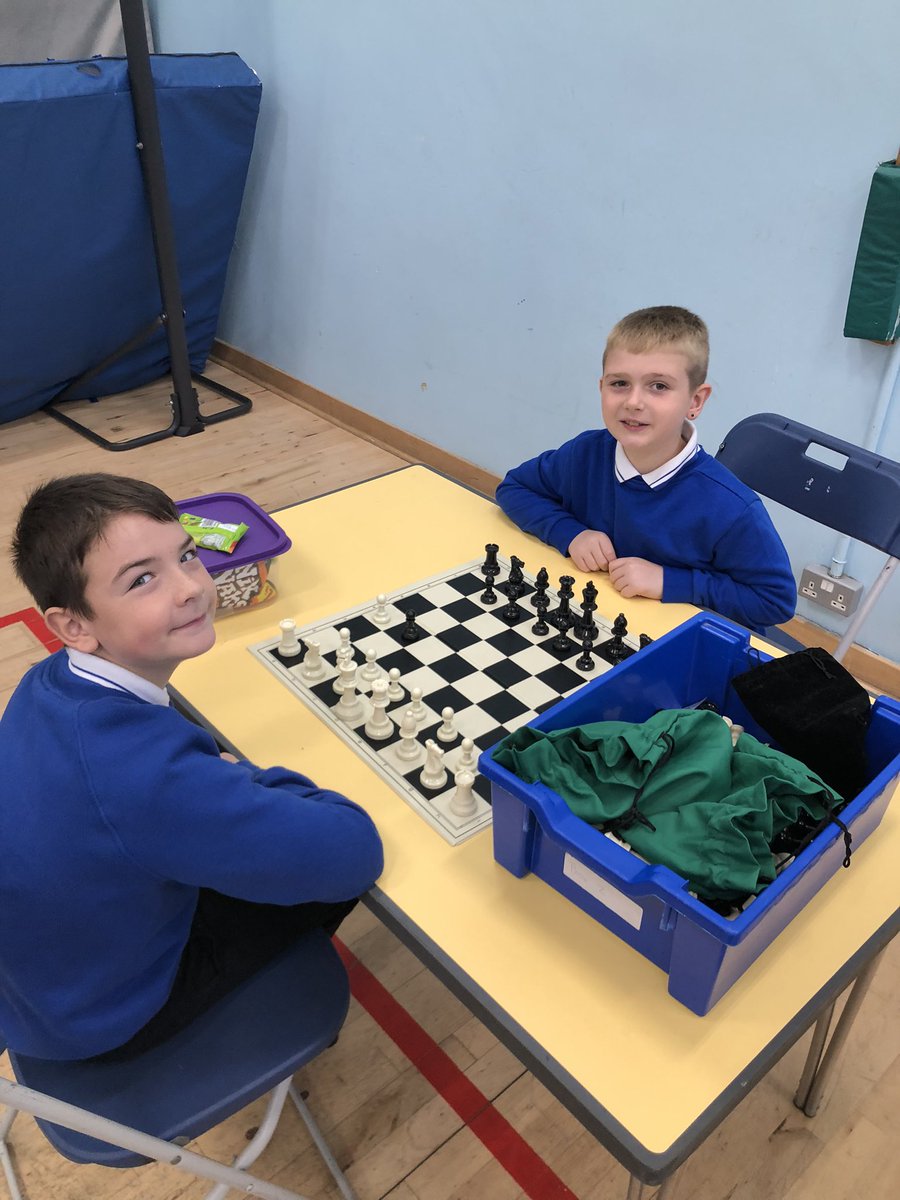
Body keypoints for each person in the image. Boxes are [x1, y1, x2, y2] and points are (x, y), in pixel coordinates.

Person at [0, 474, 384, 1062]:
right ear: (73, 626)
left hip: (35, 987)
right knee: (327, 886)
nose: (190, 588)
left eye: (186, 556)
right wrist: (251, 779)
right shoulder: (146, 779)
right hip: (102, 1018)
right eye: (142, 579)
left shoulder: (45, 683)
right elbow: (353, 851)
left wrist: (213, 783)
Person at [495, 306, 795, 633]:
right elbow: (514, 488)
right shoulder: (586, 453)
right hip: (593, 621)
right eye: (620, 383)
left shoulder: (731, 508)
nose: (634, 402)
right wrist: (571, 533)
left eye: (659, 386)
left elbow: (774, 601)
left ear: (695, 401)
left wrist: (669, 582)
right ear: (601, 387)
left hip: (673, 643)